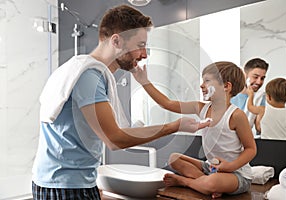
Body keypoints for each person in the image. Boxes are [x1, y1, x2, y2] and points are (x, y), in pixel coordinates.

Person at [31, 5, 210, 200]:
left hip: (67, 181)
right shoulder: (89, 76)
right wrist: (175, 126)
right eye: (140, 45)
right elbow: (114, 139)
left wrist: (90, 184)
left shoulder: (81, 70)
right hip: (66, 186)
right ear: (116, 40)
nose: (144, 54)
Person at [133, 61, 257, 198]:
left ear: (226, 86)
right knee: (174, 158)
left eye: (207, 81)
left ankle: (186, 182)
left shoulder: (236, 115)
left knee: (213, 181)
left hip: (237, 174)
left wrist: (230, 166)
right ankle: (205, 184)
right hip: (212, 168)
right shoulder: (201, 108)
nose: (201, 85)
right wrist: (144, 82)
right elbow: (166, 103)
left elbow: (251, 149)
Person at [230, 58, 269, 137]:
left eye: (262, 78)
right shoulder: (230, 96)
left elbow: (260, 128)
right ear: (245, 75)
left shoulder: (263, 98)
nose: (259, 82)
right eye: (255, 77)